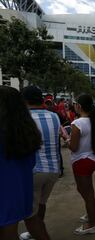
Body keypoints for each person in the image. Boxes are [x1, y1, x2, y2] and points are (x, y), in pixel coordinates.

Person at [20, 86, 62, 240]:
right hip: (54, 169)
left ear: (24, 100)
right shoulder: (54, 116)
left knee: (29, 214)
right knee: (41, 203)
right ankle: (35, 233)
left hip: (34, 170)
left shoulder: (24, 118)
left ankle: (38, 233)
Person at [0, 86, 42, 240]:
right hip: (20, 191)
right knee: (10, 232)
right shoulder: (27, 131)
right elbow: (31, 162)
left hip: (5, 194)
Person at [67, 94, 95, 235]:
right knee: (88, 192)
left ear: (79, 106)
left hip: (81, 160)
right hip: (92, 158)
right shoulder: (94, 120)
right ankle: (92, 215)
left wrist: (66, 139)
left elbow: (73, 147)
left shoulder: (77, 123)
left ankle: (92, 223)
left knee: (87, 194)